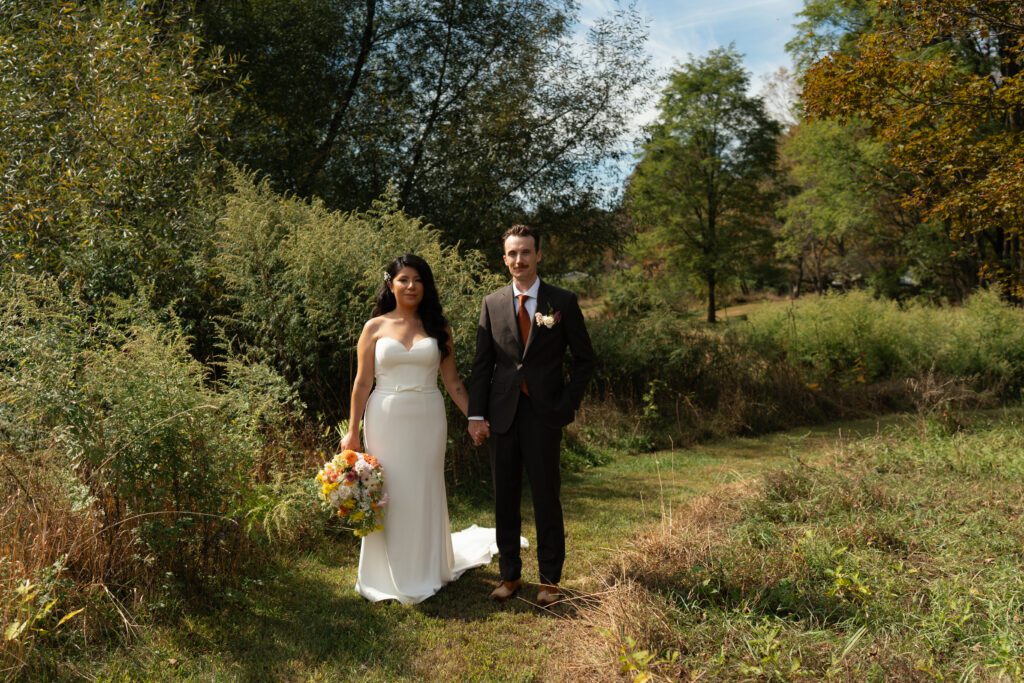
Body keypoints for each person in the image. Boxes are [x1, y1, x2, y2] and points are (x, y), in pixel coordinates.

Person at [341, 254, 517, 605]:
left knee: (422, 488)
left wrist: (475, 418)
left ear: (426, 286)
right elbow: (362, 383)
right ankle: (384, 573)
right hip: (384, 416)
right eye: (404, 279)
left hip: (427, 417)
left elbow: (453, 383)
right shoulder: (373, 327)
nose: (411, 286)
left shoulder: (438, 328)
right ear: (390, 284)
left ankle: (426, 568)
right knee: (388, 489)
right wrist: (352, 431)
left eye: (418, 280)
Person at [467, 225, 595, 607]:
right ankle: (510, 575)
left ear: (539, 255)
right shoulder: (491, 304)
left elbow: (585, 360)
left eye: (526, 252)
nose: (519, 260)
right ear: (504, 258)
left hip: (545, 414)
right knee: (504, 498)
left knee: (545, 497)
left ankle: (550, 580)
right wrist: (476, 415)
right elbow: (481, 365)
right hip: (501, 414)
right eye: (512, 254)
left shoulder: (563, 302)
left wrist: (568, 402)